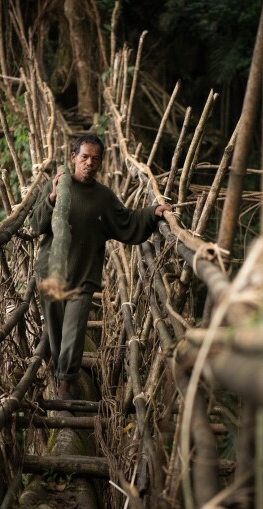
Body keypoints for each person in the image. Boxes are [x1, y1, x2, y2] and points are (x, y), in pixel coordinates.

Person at [30, 135, 171, 399]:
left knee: (74, 330)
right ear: (74, 158)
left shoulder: (103, 197)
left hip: (83, 277)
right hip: (51, 272)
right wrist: (51, 197)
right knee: (56, 330)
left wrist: (153, 213)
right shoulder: (57, 186)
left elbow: (127, 222)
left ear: (101, 163)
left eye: (96, 159)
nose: (89, 163)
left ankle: (67, 383)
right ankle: (62, 376)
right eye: (84, 157)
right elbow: (36, 224)